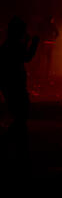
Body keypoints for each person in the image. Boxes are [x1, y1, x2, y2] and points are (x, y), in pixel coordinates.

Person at [0, 17, 39, 173]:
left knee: (20, 118)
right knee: (21, 117)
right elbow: (27, 57)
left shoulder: (7, 45)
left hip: (10, 87)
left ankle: (18, 149)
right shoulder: (13, 46)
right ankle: (9, 144)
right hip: (15, 87)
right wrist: (34, 43)